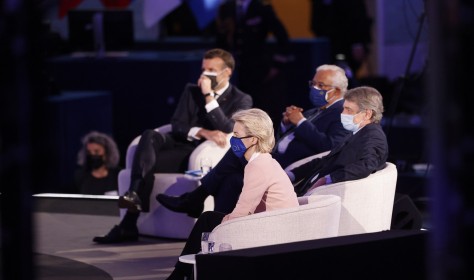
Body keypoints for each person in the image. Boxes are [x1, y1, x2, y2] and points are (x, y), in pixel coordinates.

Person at [92, 48, 253, 244]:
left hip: (199, 152)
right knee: (149, 136)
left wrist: (209, 97)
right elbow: (177, 124)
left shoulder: (242, 99)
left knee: (146, 163)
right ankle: (133, 194)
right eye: (203, 69)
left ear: (227, 72)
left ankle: (128, 224)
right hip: (180, 142)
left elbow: (228, 127)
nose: (204, 75)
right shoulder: (191, 90)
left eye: (211, 70)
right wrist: (202, 132)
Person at [157, 64, 350, 215]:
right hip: (275, 157)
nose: (315, 88)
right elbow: (286, 139)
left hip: (288, 169)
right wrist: (286, 125)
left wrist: (300, 123)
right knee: (231, 180)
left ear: (338, 91)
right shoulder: (314, 111)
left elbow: (329, 147)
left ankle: (194, 200)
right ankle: (215, 230)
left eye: (321, 86)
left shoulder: (340, 113)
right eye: (313, 84)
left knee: (237, 149)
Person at [166, 108, 299, 280]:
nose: (233, 140)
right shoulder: (263, 161)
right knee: (209, 219)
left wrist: (222, 226)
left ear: (253, 139)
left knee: (208, 220)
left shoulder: (258, 166)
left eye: (236, 135)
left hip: (271, 232)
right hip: (270, 224)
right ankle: (182, 274)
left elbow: (243, 212)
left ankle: (179, 274)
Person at [289, 86, 388, 196]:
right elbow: (326, 160)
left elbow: (367, 165)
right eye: (344, 108)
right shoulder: (358, 132)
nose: (343, 113)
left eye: (349, 110)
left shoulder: (373, 135)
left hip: (320, 196)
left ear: (367, 114)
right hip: (305, 189)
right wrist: (292, 174)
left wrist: (328, 179)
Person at [216, 0, 293, 125]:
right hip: (233, 72)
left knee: (259, 108)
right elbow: (220, 41)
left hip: (259, 72)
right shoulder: (226, 8)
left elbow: (282, 36)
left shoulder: (262, 8)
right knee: (234, 111)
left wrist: (277, 65)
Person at [310, 0, 372, 80]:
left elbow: (357, 16)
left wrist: (358, 42)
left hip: (347, 42)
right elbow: (316, 23)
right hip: (327, 43)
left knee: (345, 74)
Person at [74, 131, 121, 195]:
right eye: (89, 152)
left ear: (107, 153)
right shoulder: (80, 177)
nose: (92, 155)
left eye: (96, 152)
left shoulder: (118, 176)